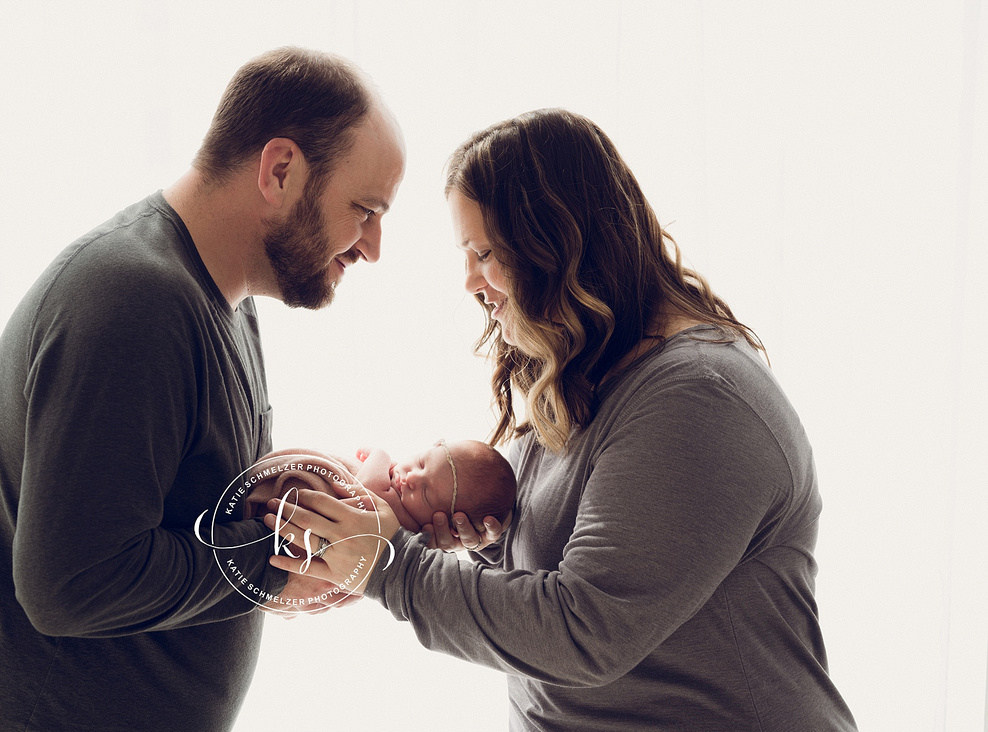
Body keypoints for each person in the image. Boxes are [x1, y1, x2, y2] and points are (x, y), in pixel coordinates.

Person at [265, 109, 859, 730]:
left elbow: (585, 632)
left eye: (484, 253)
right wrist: (488, 541)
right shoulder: (584, 371)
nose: (470, 281)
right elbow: (569, 563)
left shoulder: (699, 400)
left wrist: (388, 565)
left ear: (559, 245)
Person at [0, 46, 405, 732]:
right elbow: (73, 585)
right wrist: (278, 563)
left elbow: (178, 506)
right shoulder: (134, 301)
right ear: (280, 170)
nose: (372, 246)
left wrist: (287, 493)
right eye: (365, 209)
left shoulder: (224, 295)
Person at [243, 440, 516, 536]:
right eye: (421, 462)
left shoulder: (403, 526)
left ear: (444, 521)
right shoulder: (409, 510)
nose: (410, 478)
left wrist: (381, 454)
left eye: (425, 493)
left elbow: (365, 489)